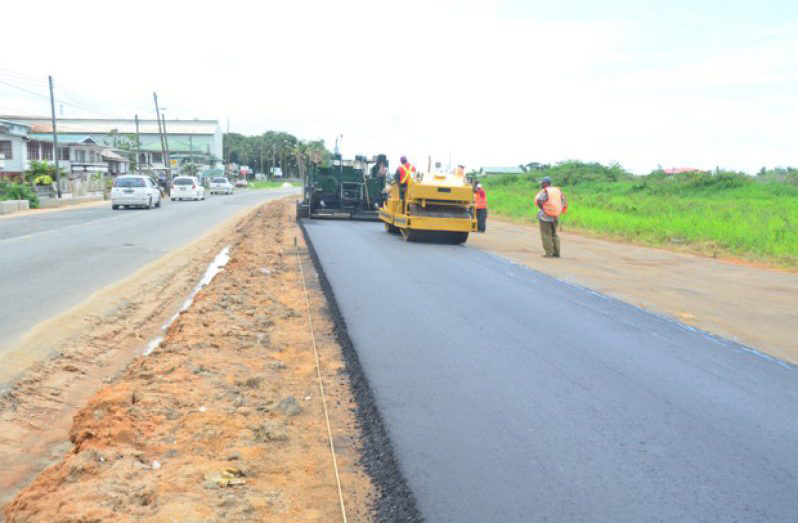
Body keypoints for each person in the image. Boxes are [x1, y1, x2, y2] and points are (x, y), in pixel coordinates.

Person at [534, 176, 567, 257]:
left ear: (546, 184)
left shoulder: (545, 192)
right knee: (554, 234)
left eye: (542, 183)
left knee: (546, 234)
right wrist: (557, 211)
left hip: (545, 217)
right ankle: (557, 253)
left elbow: (539, 201)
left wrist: (544, 209)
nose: (541, 185)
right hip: (555, 216)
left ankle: (549, 253)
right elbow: (564, 202)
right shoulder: (558, 191)